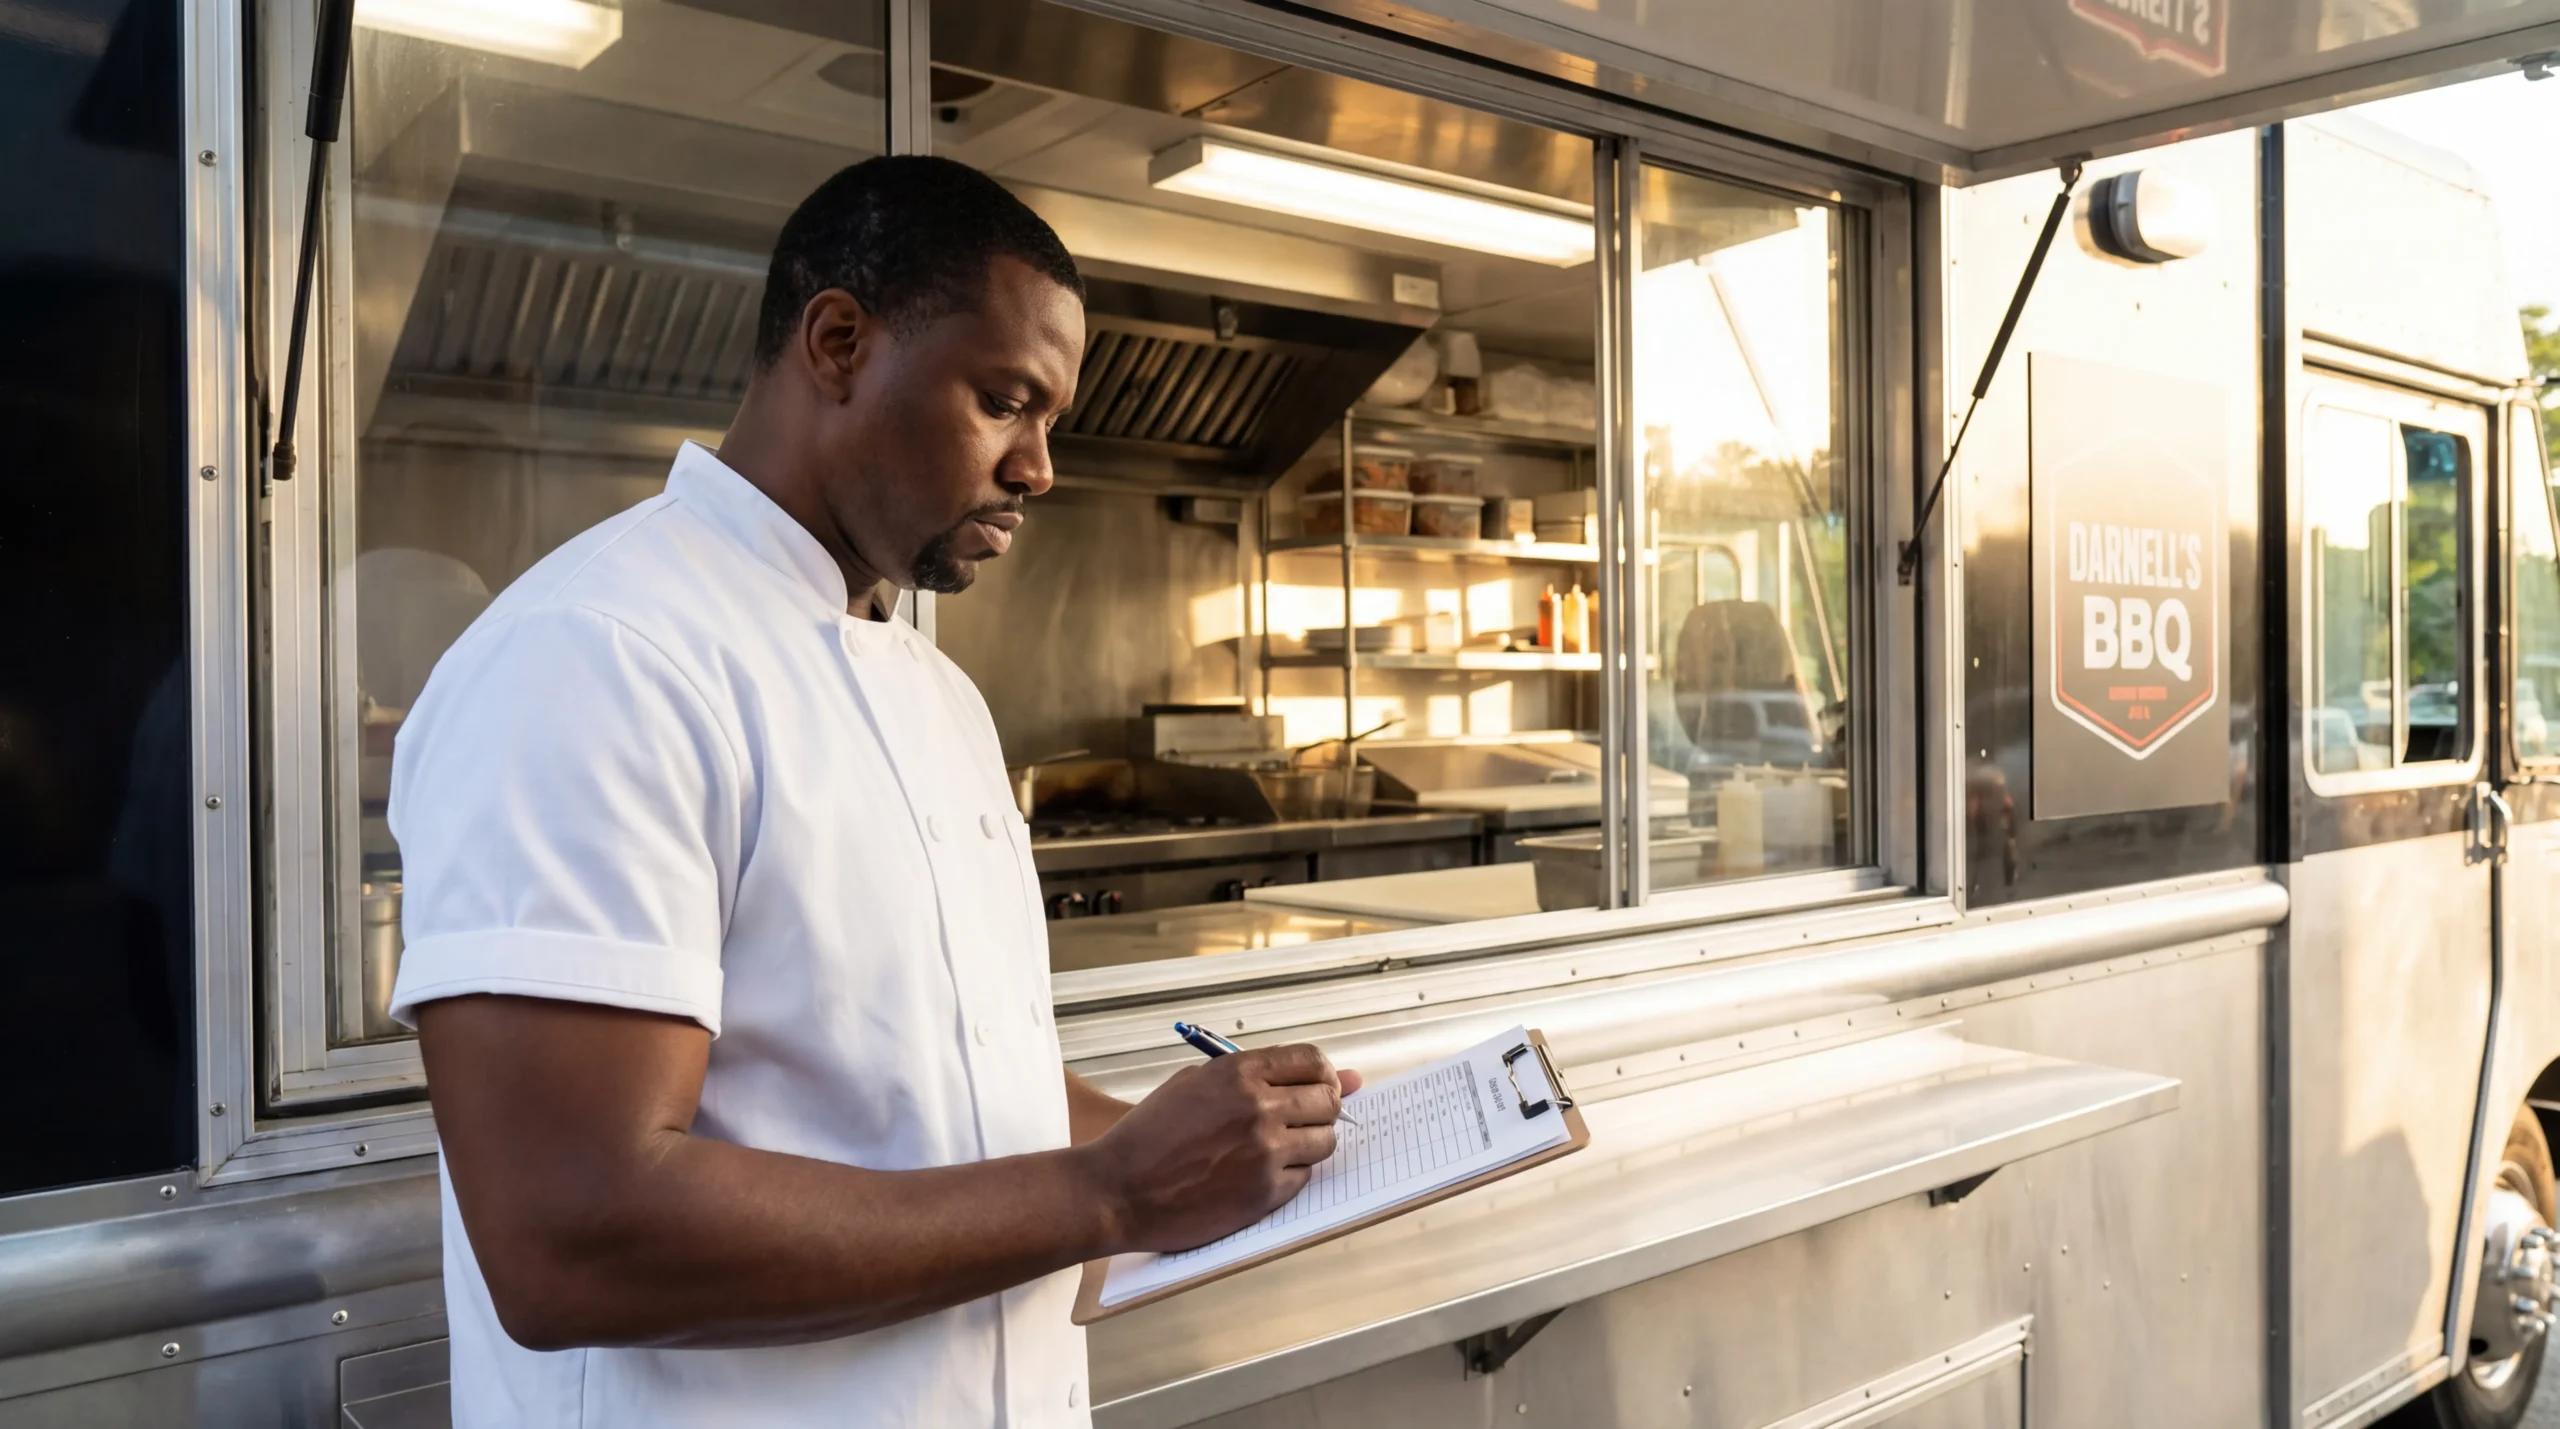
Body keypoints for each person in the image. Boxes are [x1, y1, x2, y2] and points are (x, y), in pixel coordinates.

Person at [387, 156, 1359, 1428]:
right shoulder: (601, 654)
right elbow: (572, 1233)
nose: (1040, 469)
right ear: (838, 342)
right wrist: (1110, 1194)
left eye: (1051, 420)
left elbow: (949, 1074)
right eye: (1006, 401)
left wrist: (1211, 1153)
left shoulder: (936, 693)